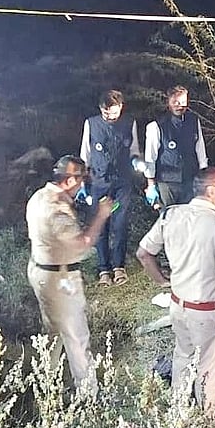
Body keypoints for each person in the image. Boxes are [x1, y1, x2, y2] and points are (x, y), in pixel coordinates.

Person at [135, 167, 215, 416]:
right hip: (207, 311)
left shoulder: (171, 215)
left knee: (182, 358)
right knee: (209, 372)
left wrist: (161, 281)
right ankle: (207, 425)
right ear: (211, 191)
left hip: (178, 306)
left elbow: (143, 253)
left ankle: (178, 417)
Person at [25, 155, 114, 393]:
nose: (83, 185)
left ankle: (45, 387)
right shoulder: (56, 208)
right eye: (81, 180)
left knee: (53, 335)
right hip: (59, 280)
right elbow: (82, 243)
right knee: (77, 338)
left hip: (41, 271)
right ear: (71, 179)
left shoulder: (38, 197)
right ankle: (89, 395)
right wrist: (102, 215)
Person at [79, 89, 141, 287]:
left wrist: (139, 164)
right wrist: (82, 183)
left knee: (120, 224)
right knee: (101, 225)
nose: (110, 116)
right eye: (106, 113)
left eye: (114, 112)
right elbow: (85, 155)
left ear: (121, 107)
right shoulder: (91, 124)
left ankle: (119, 267)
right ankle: (103, 269)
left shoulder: (129, 123)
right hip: (99, 181)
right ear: (101, 109)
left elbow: (134, 151)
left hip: (122, 182)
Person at [143, 86, 209, 208]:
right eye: (176, 102)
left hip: (190, 179)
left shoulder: (193, 121)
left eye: (183, 102)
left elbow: (200, 148)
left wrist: (203, 174)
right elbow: (150, 157)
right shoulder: (156, 126)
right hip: (167, 182)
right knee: (169, 218)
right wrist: (151, 185)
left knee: (189, 218)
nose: (180, 106)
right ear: (169, 102)